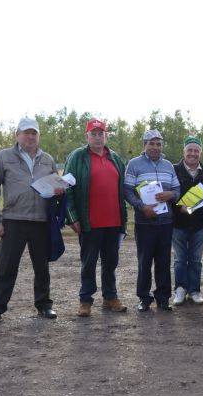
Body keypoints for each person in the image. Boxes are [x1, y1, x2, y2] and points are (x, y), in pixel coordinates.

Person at [0, 118, 63, 323]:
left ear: (38, 136)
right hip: (13, 220)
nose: (30, 136)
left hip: (41, 221)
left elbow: (56, 189)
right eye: (26, 132)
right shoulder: (3, 157)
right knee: (7, 266)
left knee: (42, 267)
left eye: (34, 133)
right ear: (17, 134)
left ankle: (44, 305)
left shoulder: (47, 159)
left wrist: (59, 192)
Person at [65, 119, 129, 318]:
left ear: (106, 135)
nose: (98, 137)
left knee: (111, 262)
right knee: (89, 262)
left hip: (114, 221)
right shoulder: (77, 157)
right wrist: (72, 217)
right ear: (87, 136)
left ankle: (110, 297)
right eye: (93, 133)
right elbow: (67, 188)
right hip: (89, 222)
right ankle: (85, 300)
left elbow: (123, 188)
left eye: (101, 133)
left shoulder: (115, 158)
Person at [124, 129, 181, 312]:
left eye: (158, 144)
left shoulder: (168, 166)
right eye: (152, 143)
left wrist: (170, 194)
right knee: (144, 261)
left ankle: (163, 298)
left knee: (164, 261)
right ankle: (144, 298)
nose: (155, 147)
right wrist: (142, 207)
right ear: (144, 145)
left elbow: (178, 191)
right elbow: (127, 191)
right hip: (144, 221)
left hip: (165, 221)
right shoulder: (134, 164)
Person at [171, 136, 203, 306]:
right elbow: (169, 195)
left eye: (196, 150)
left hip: (199, 224)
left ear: (200, 153)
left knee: (196, 260)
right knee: (180, 259)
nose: (193, 153)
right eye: (190, 150)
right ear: (184, 152)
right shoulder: (174, 170)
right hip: (178, 223)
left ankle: (195, 291)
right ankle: (180, 290)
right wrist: (178, 208)